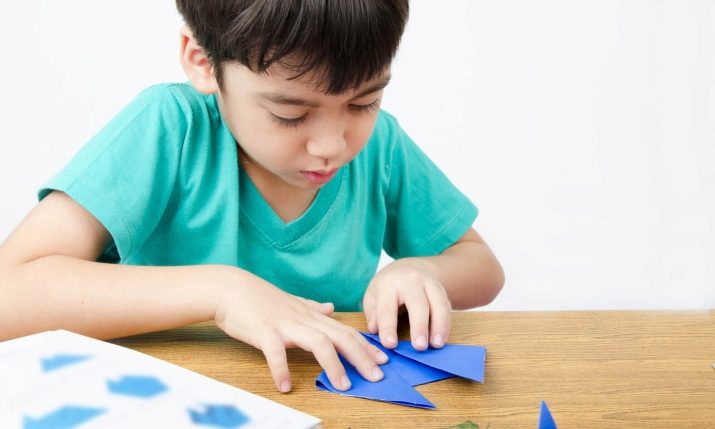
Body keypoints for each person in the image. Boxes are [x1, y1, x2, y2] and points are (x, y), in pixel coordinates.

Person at [0, 0, 504, 393]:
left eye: (364, 102)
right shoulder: (170, 128)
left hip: (325, 397)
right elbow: (11, 295)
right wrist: (224, 292)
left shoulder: (383, 147)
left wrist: (419, 272)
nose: (332, 146)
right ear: (202, 62)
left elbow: (481, 265)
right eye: (290, 113)